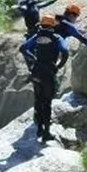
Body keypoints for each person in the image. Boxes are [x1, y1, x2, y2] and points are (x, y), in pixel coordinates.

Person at [20, 14, 69, 142]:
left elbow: (23, 48)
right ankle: (46, 132)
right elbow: (65, 52)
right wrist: (58, 66)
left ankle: (39, 128)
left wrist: (34, 58)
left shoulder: (36, 37)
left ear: (41, 25)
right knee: (47, 103)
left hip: (36, 73)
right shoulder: (56, 38)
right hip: (48, 74)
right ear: (53, 25)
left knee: (38, 99)